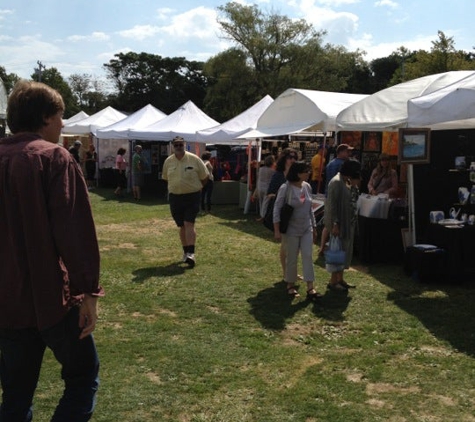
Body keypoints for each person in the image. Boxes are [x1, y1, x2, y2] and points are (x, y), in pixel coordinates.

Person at [0, 80, 104, 421]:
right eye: (60, 118)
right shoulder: (53, 158)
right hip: (51, 299)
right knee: (82, 376)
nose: (63, 126)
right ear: (44, 118)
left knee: (15, 396)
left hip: (8, 302)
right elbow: (74, 231)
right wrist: (87, 290)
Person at [273, 161, 322, 301]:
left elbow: (309, 208)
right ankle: (290, 284)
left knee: (307, 255)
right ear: (298, 173)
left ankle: (310, 286)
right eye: (306, 171)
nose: (309, 173)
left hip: (306, 227)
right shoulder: (286, 187)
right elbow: (277, 208)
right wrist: (277, 229)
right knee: (292, 257)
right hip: (290, 229)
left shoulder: (307, 186)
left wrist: (314, 227)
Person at [162, 136, 209, 267]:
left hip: (192, 196)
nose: (178, 147)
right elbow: (166, 178)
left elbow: (205, 177)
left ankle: (191, 254)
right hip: (175, 197)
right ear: (172, 146)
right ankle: (185, 252)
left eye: (180, 144)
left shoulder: (194, 159)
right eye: (176, 145)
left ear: (185, 144)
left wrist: (197, 188)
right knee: (182, 225)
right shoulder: (168, 161)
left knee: (189, 223)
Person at [324, 159, 361, 291]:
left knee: (345, 251)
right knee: (338, 251)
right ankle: (333, 281)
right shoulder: (336, 182)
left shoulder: (346, 181)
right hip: (340, 223)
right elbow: (332, 205)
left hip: (348, 221)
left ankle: (340, 279)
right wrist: (335, 224)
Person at [266, 148, 298, 282]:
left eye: (295, 157)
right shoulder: (278, 175)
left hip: (296, 214)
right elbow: (269, 193)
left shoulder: (296, 174)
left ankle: (292, 272)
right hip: (283, 214)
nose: (292, 159)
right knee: (285, 245)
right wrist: (281, 197)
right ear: (284, 158)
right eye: (290, 157)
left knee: (295, 247)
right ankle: (286, 273)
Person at [319, 143, 354, 257]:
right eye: (347, 152)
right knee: (335, 223)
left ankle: (322, 246)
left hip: (328, 194)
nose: (349, 154)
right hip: (337, 196)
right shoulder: (342, 164)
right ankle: (333, 249)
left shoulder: (330, 163)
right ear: (341, 152)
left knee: (327, 223)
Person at [255, 155, 276, 220]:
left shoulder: (261, 169)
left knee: (261, 202)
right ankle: (263, 216)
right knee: (265, 203)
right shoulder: (273, 171)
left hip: (260, 187)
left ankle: (261, 215)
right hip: (267, 188)